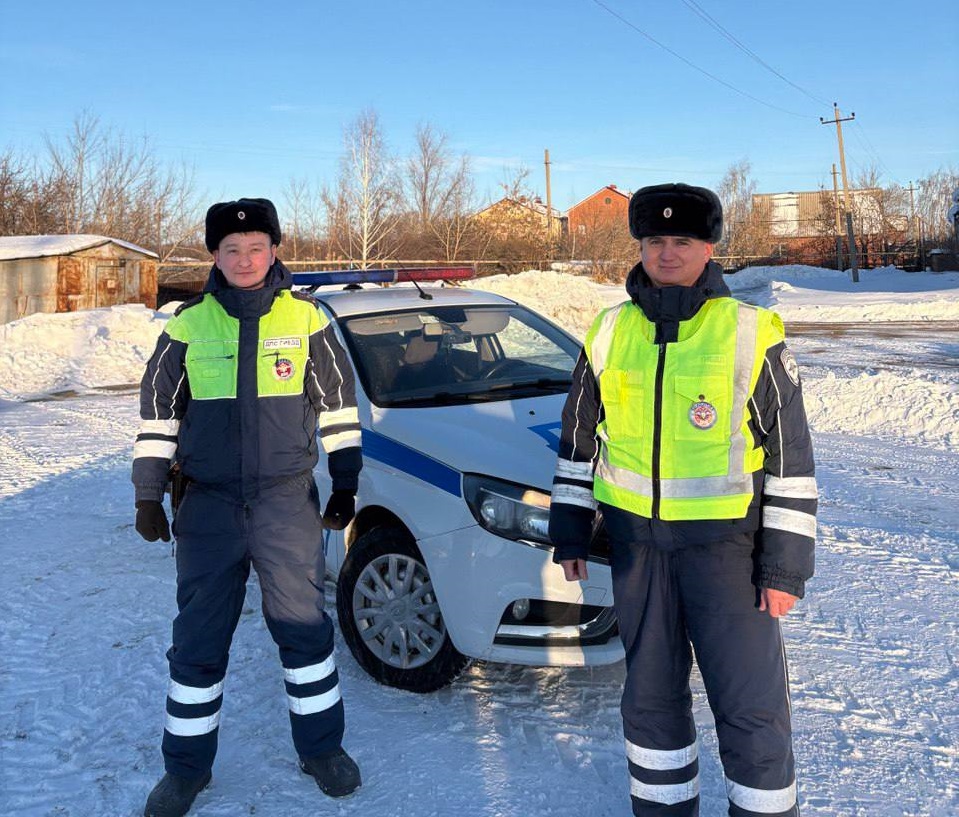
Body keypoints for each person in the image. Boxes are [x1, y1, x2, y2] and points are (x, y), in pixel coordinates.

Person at [549, 183, 816, 817]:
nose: (667, 253)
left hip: (727, 553)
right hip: (638, 550)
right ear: (640, 246)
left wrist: (783, 569)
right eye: (654, 241)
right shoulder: (609, 331)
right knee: (649, 702)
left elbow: (791, 459)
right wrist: (570, 529)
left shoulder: (750, 331)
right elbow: (578, 439)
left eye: (683, 241)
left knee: (750, 706)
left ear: (709, 248)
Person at [132, 198, 363, 817]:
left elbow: (339, 408)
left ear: (274, 250)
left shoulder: (308, 320)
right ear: (214, 255)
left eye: (256, 247)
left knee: (304, 630)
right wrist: (148, 495)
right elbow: (157, 419)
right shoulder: (186, 326)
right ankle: (185, 769)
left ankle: (322, 749)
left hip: (284, 502)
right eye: (231, 249)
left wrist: (345, 481)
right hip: (207, 506)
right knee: (198, 639)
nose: (244, 259)